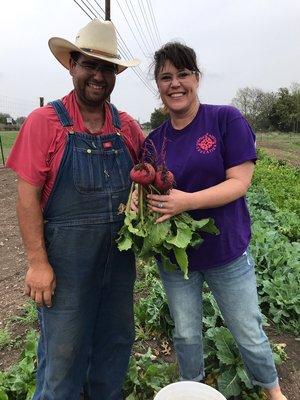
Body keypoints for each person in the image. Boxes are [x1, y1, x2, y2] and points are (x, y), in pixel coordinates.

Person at [6, 19, 145, 400]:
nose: (98, 75)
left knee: (114, 344)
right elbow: (27, 198)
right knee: (63, 356)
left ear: (116, 73)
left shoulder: (127, 127)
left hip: (118, 267)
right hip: (65, 267)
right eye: (89, 64)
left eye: (106, 67)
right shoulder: (44, 122)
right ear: (72, 65)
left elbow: (146, 176)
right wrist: (38, 263)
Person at [142, 42, 286, 400]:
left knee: (248, 329)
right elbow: (147, 194)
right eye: (165, 77)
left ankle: (274, 392)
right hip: (176, 259)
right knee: (187, 334)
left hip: (226, 252)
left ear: (197, 78)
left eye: (183, 74)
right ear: (158, 86)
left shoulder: (225, 119)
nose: (175, 84)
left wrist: (186, 202)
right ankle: (193, 390)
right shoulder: (153, 141)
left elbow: (240, 182)